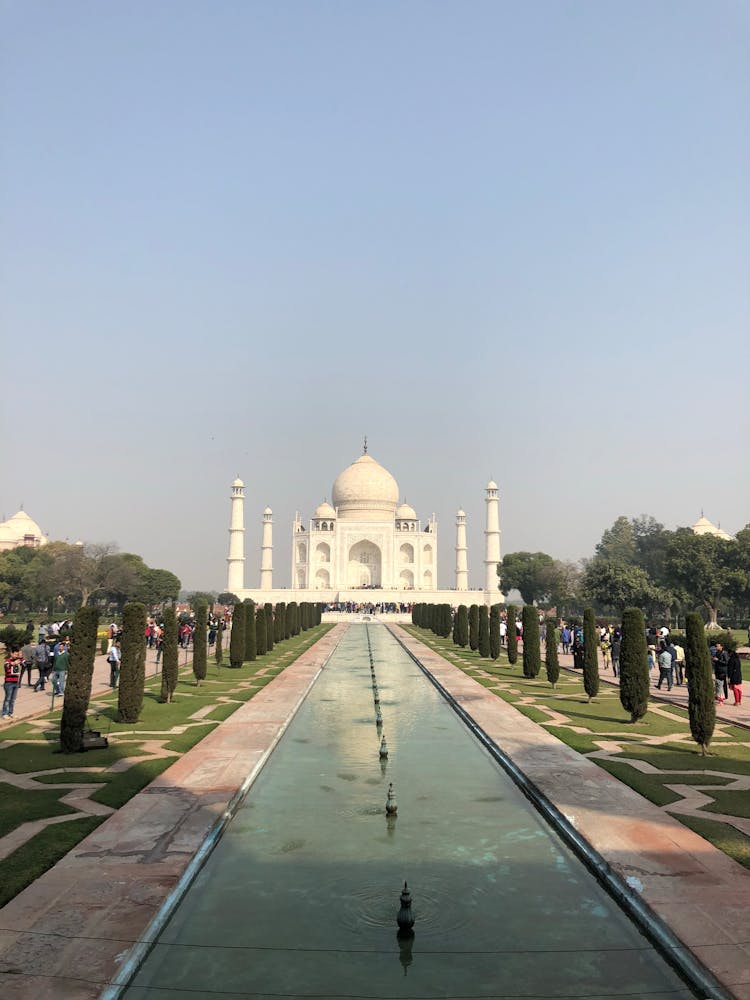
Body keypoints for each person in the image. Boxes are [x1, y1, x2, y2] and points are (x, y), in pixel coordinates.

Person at [2, 649, 22, 720]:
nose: (17, 656)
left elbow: (24, 664)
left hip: (16, 682)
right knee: (7, 699)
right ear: (11, 654)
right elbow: (6, 666)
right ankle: (5, 713)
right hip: (9, 683)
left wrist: (21, 658)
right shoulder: (7, 661)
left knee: (13, 699)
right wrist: (13, 663)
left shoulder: (18, 660)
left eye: (17, 654)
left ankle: (10, 713)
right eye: (16, 654)